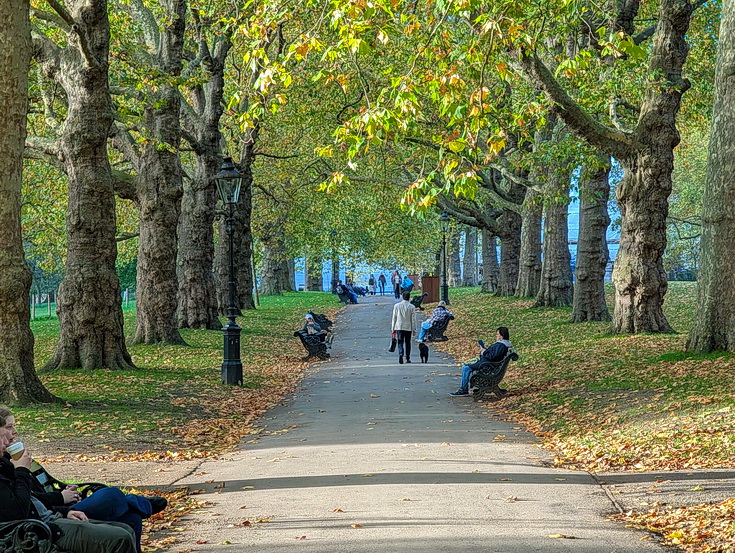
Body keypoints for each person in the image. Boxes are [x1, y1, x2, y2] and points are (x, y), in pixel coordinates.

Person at [0, 407, 166, 553]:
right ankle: (137, 502)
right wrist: (23, 471)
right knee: (112, 497)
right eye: (8, 428)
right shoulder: (13, 466)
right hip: (37, 529)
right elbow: (19, 507)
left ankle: (134, 502)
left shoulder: (7, 462)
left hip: (54, 513)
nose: (13, 433)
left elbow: (33, 497)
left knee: (129, 521)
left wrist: (64, 507)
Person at [450, 327, 512, 396]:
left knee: (465, 368)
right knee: (466, 366)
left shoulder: (501, 345)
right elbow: (493, 355)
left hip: (487, 365)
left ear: (501, 336)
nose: (496, 336)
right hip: (488, 364)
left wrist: (483, 351)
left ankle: (463, 389)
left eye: (497, 334)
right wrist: (484, 350)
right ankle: (464, 388)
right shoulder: (502, 345)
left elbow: (491, 357)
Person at [391, 291, 416, 364]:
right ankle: (408, 358)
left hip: (399, 326)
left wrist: (393, 328)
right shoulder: (412, 307)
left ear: (402, 297)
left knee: (400, 342)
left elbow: (394, 318)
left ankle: (400, 354)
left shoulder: (397, 306)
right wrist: (414, 329)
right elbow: (413, 320)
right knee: (408, 343)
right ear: (409, 297)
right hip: (408, 327)